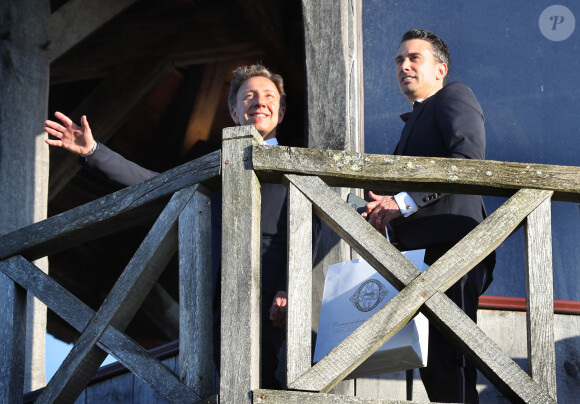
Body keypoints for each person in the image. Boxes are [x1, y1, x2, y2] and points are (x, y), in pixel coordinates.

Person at [45, 64, 319, 389]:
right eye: (249, 96)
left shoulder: (298, 166)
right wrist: (93, 151)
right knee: (226, 385)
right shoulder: (216, 171)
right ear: (234, 111)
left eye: (269, 96)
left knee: (268, 382)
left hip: (275, 297)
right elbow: (152, 183)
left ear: (282, 111)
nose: (259, 101)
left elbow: (309, 230)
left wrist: (291, 288)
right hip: (218, 301)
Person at [363, 29, 495, 403]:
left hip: (453, 247)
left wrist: (401, 202)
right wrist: (376, 208)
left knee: (452, 361)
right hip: (416, 258)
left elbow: (467, 162)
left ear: (441, 68)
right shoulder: (411, 123)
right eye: (399, 60)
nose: (404, 65)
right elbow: (400, 199)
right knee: (433, 366)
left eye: (413, 58)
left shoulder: (455, 95)